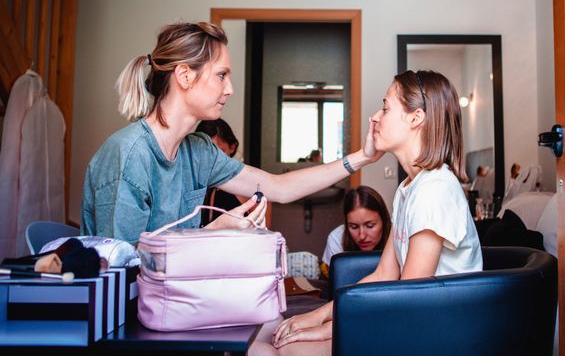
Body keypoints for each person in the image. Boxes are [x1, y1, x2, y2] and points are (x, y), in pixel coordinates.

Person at [81, 21, 380, 244]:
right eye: (221, 75)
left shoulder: (198, 151)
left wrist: (362, 157)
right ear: (185, 75)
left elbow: (279, 188)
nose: (230, 89)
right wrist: (213, 230)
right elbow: (123, 267)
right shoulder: (129, 154)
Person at [272, 70, 482, 355]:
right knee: (273, 342)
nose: (375, 117)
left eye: (385, 107)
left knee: (286, 350)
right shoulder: (410, 187)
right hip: (416, 319)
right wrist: (318, 315)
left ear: (415, 117)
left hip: (436, 330)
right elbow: (384, 272)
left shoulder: (435, 190)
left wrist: (328, 329)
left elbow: (411, 295)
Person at [320, 186, 391, 273]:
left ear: (384, 220)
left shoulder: (398, 236)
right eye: (354, 227)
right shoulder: (336, 239)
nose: (362, 236)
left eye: (370, 225)